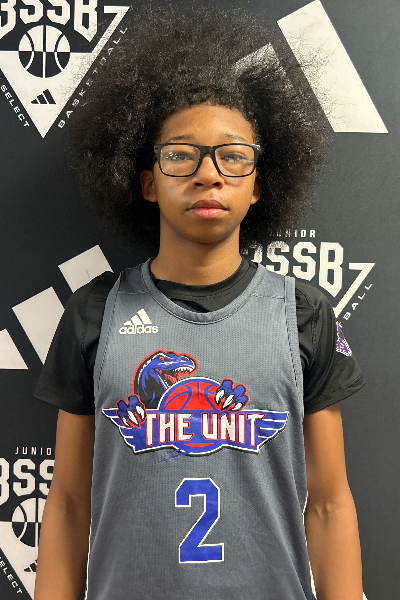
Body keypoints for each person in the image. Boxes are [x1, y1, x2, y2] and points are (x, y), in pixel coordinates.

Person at [33, 5, 365, 600]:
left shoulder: (303, 313)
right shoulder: (94, 312)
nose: (208, 175)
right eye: (181, 155)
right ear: (147, 180)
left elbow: (329, 502)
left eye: (233, 156)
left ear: (259, 184)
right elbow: (69, 502)